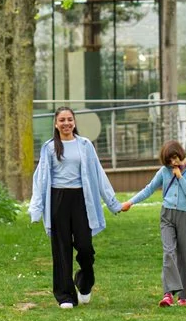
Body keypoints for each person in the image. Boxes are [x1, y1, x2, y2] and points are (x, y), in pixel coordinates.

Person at [29, 106, 119, 308]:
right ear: (56, 124)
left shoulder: (85, 145)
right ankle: (65, 296)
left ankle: (85, 282)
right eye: (62, 120)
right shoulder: (50, 147)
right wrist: (36, 208)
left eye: (69, 119)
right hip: (58, 200)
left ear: (74, 122)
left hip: (81, 199)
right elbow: (41, 179)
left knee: (85, 248)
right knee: (61, 250)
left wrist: (113, 203)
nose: (66, 123)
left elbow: (98, 174)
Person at [119, 141, 186, 306]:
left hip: (185, 215)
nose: (173, 163)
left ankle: (184, 295)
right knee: (168, 252)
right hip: (167, 214)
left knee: (185, 255)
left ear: (181, 154)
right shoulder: (164, 172)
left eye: (175, 158)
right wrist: (131, 202)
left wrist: (180, 177)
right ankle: (168, 294)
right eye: (169, 160)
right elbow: (149, 189)